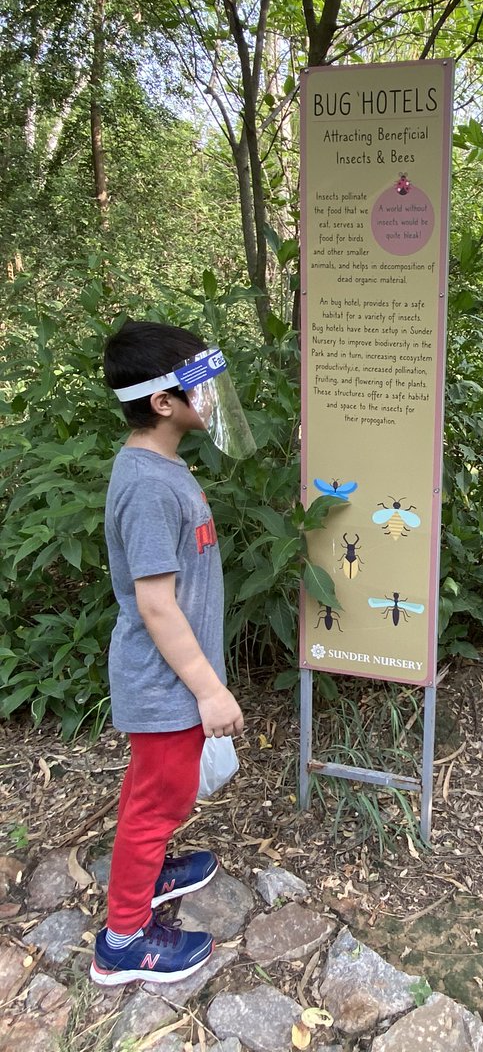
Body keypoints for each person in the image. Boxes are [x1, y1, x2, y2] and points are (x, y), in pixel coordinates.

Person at [90, 320, 254, 986]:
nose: (211, 399)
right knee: (159, 799)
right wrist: (209, 689)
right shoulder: (149, 486)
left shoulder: (159, 465)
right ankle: (124, 939)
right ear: (164, 403)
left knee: (155, 793)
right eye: (199, 388)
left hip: (170, 681)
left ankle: (149, 866)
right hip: (164, 685)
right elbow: (156, 604)